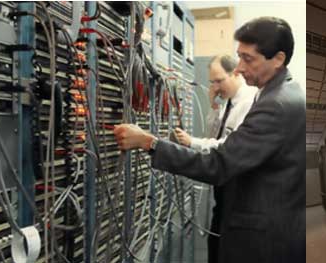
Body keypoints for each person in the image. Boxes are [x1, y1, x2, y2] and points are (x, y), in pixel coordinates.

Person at [113, 16, 306, 263]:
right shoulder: (280, 94)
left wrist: (150, 142)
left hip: (262, 241)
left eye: (248, 59)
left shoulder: (276, 104)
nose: (239, 68)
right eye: (239, 57)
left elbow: (219, 163)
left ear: (278, 59)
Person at [174, 54, 256, 263]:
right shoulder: (229, 102)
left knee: (226, 250)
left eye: (219, 81)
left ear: (235, 73)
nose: (216, 87)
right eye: (212, 82)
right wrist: (213, 107)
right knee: (216, 246)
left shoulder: (248, 102)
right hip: (223, 189)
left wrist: (193, 142)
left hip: (238, 192)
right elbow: (213, 135)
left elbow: (228, 146)